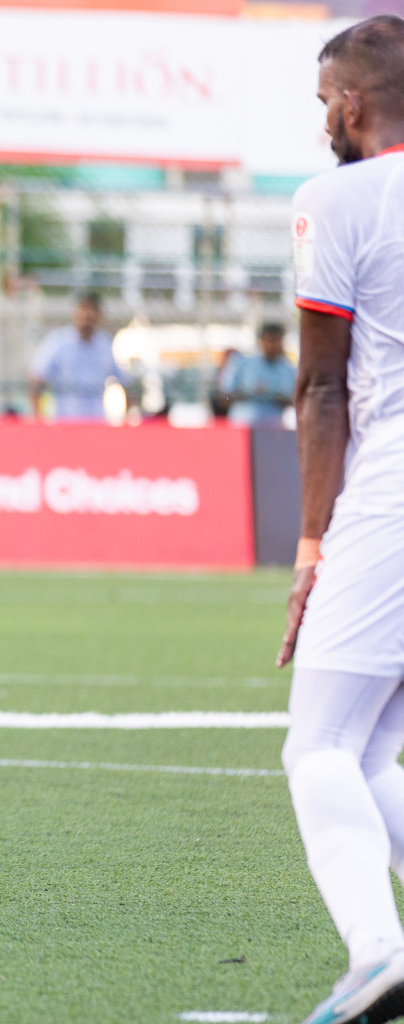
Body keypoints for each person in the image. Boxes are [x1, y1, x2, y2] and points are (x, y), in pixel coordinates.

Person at [276, 17, 404, 1024]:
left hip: (394, 478)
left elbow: (322, 393)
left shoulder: (337, 196)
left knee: (316, 743)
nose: (325, 119)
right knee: (366, 758)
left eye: (326, 101)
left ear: (352, 104)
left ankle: (376, 953)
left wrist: (312, 544)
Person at [27, 293, 126, 422]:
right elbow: (36, 379)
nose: (87, 315)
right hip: (64, 423)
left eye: (92, 310)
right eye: (83, 309)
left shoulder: (106, 345)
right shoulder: (57, 342)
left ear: (100, 315)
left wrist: (125, 420)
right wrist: (39, 419)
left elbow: (125, 382)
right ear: (75, 312)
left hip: (96, 422)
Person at [226, 323, 297, 426]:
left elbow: (295, 402)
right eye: (269, 340)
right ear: (261, 341)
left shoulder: (289, 370)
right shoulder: (243, 364)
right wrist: (248, 395)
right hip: (242, 424)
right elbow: (225, 395)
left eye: (276, 340)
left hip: (276, 427)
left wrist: (278, 398)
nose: (272, 345)